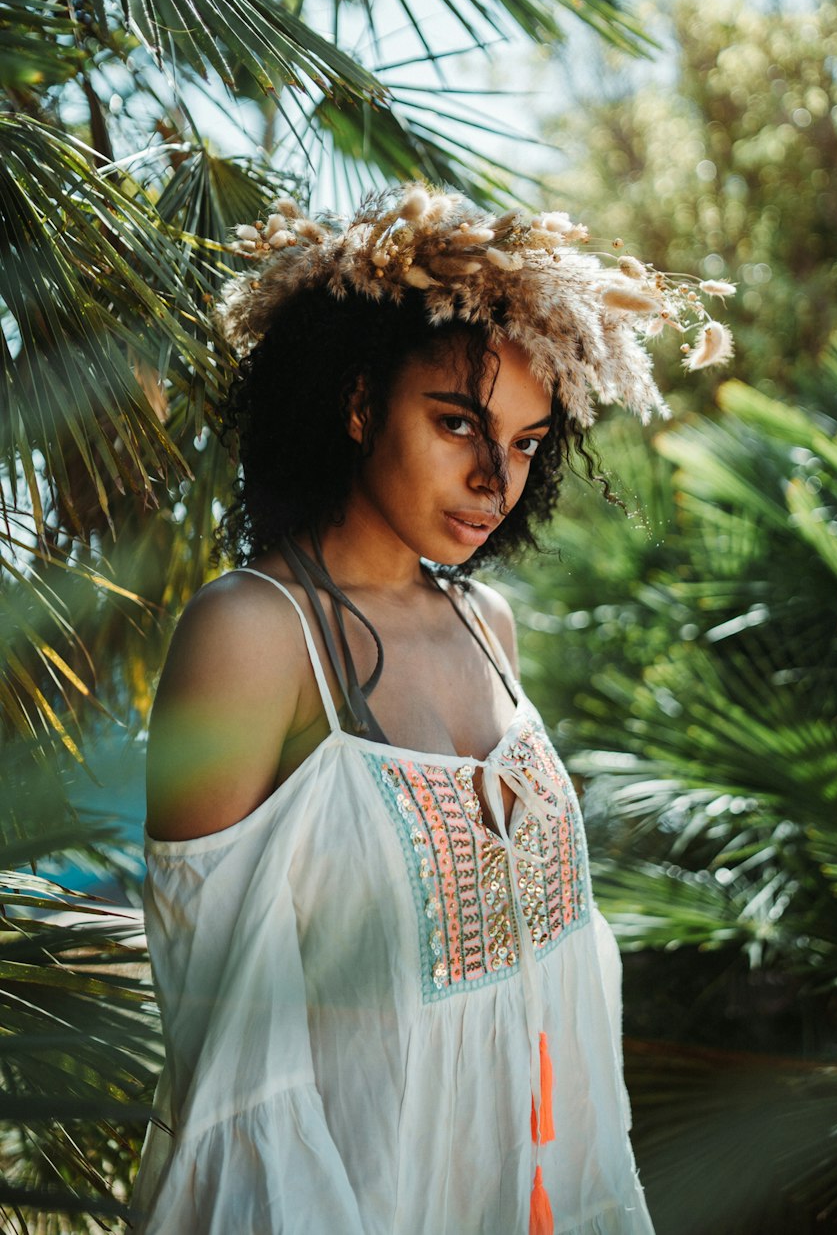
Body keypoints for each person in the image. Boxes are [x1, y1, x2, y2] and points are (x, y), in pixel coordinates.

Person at [129, 183, 733, 1234]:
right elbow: (227, 1060)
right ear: (359, 403)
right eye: (457, 422)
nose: (494, 478)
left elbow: (555, 989)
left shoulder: (485, 625)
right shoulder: (252, 637)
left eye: (529, 442)